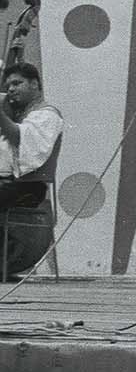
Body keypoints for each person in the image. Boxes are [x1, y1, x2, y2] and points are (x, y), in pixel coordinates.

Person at [0, 63, 64, 279]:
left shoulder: (47, 115)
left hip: (28, 188)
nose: (11, 89)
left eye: (17, 83)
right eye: (8, 86)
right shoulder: (19, 115)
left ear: (35, 84)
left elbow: (20, 138)